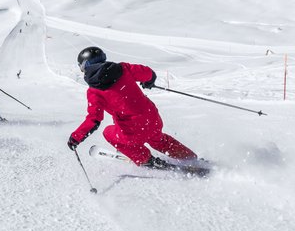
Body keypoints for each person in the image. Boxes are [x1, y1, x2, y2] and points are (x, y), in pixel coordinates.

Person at [66, 46, 197, 170]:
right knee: (157, 138)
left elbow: (94, 120)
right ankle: (189, 157)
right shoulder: (123, 68)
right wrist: (149, 81)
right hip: (152, 119)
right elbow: (148, 73)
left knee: (108, 132)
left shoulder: (94, 92)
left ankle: (145, 159)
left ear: (84, 67)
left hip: (133, 132)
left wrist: (75, 138)